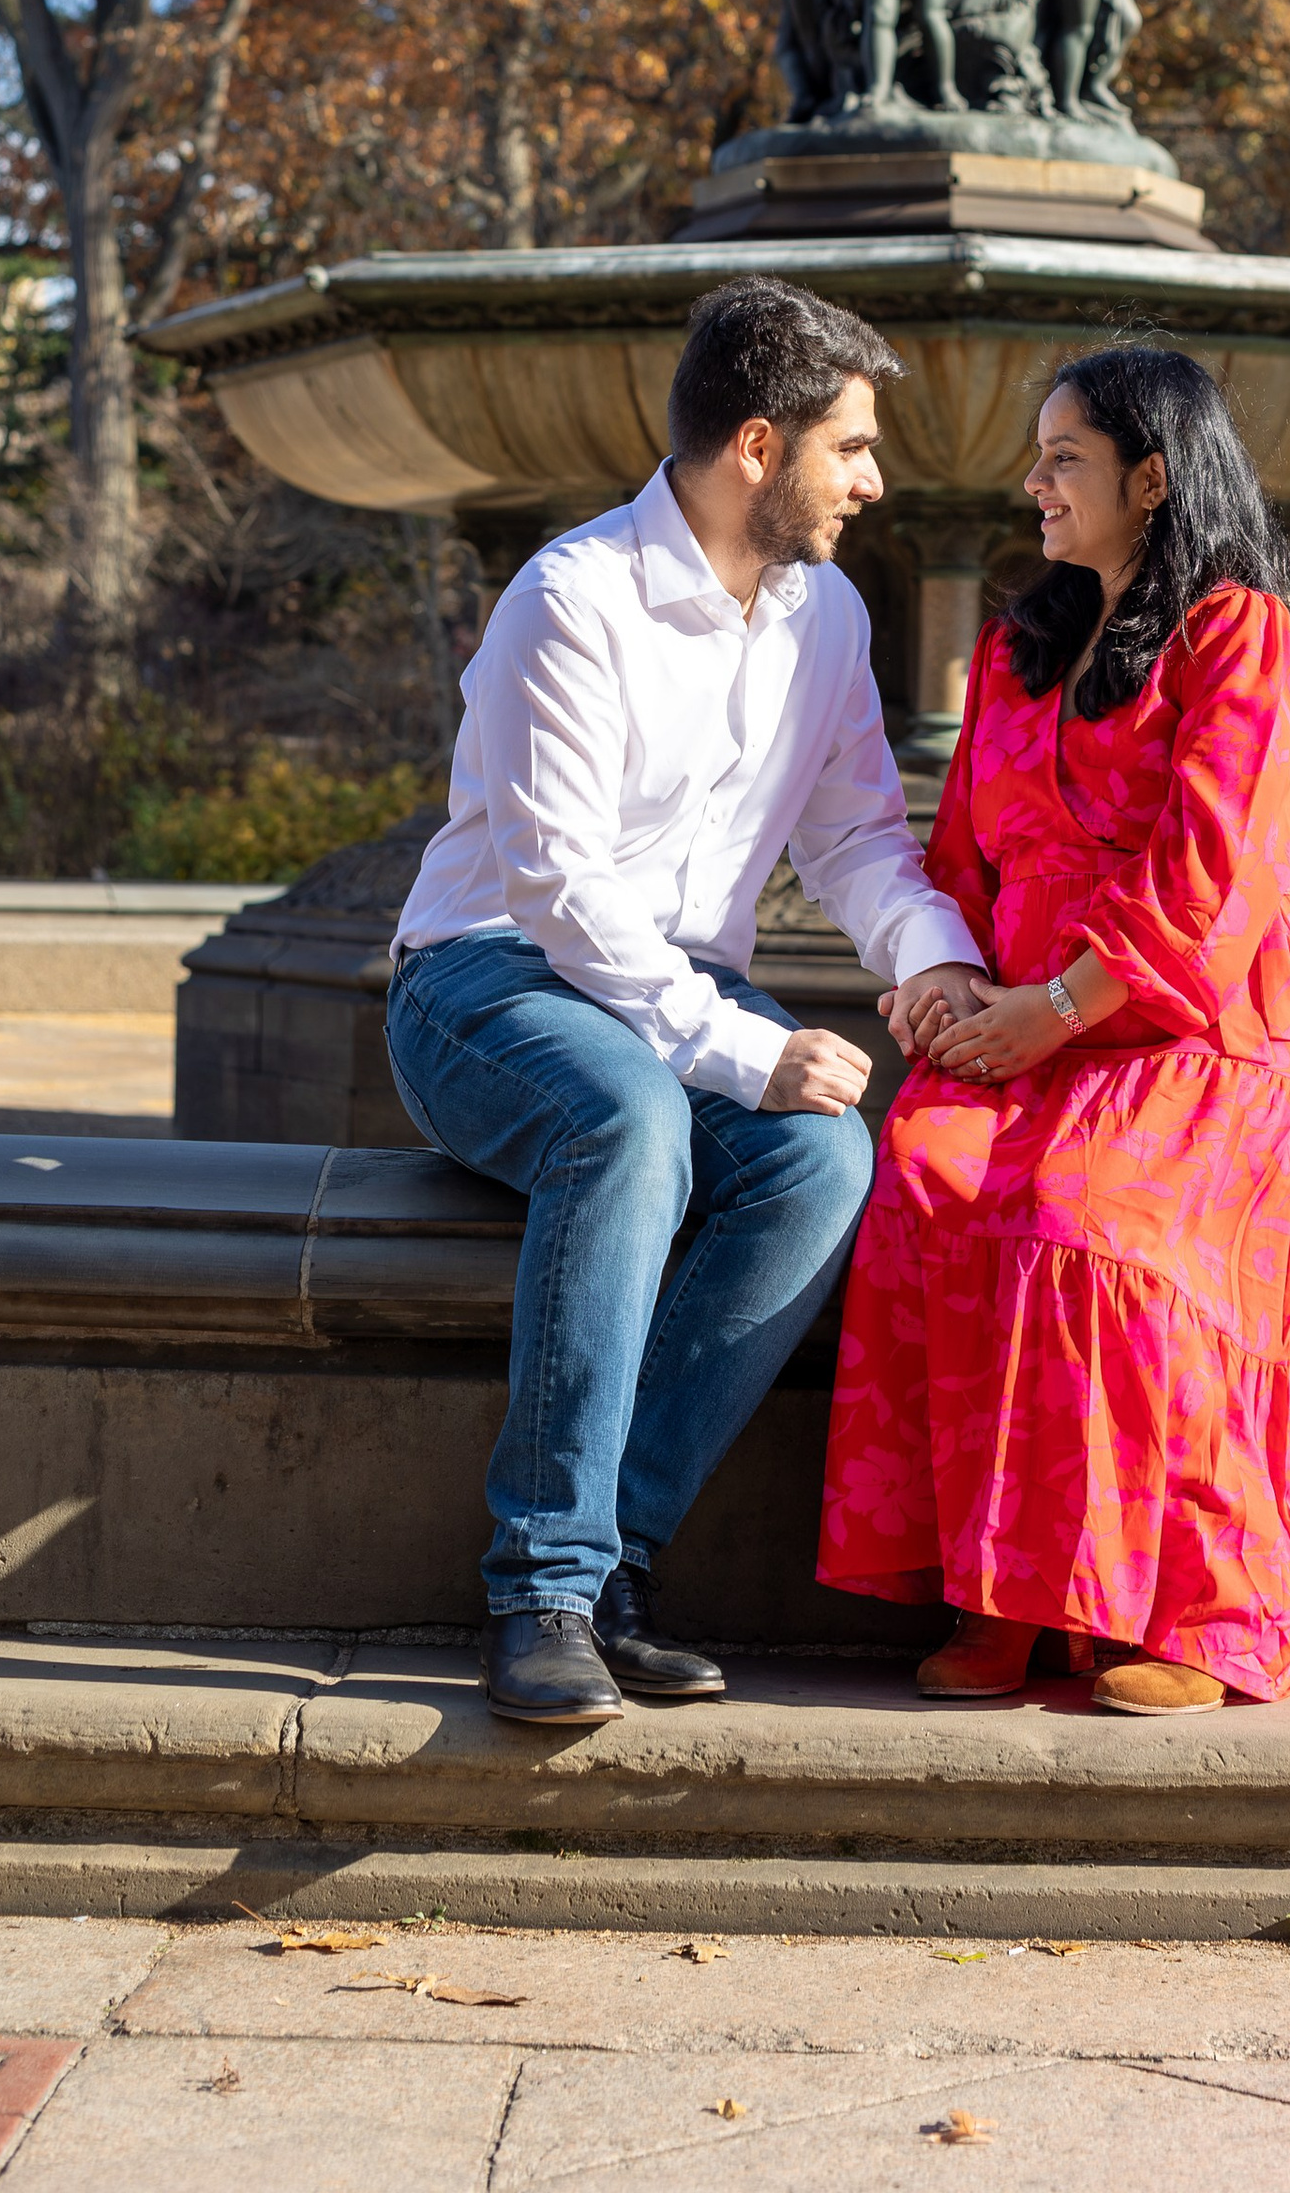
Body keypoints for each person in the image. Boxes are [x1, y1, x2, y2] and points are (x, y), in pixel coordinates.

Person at [818, 345, 1290, 1714]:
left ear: (1152, 476)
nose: (1035, 483)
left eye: (1065, 459)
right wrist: (942, 982)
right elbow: (961, 859)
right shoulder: (1016, 646)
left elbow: (1212, 882)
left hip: (1217, 1021)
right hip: (1031, 1014)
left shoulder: (1237, 632)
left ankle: (1193, 1605)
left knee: (1092, 1213)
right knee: (928, 1173)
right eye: (1039, 457)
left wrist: (1050, 1014)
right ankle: (1012, 1596)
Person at [387, 276, 988, 1727]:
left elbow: (855, 837)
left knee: (822, 1160)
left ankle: (613, 1575)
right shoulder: (573, 598)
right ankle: (537, 1584)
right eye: (851, 448)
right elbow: (561, 894)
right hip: (483, 977)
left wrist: (935, 960)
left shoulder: (822, 615)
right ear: (760, 449)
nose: (875, 480)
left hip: (667, 986)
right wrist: (743, 1044)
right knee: (632, 1122)